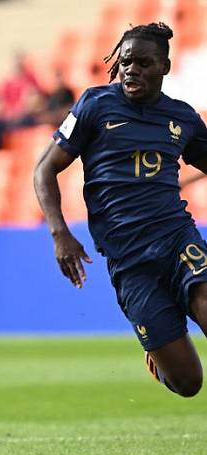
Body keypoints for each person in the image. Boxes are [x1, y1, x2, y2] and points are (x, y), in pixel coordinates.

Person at [34, 22, 207, 398]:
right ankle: (159, 360)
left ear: (164, 66)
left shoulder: (182, 118)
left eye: (144, 63)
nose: (132, 70)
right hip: (129, 261)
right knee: (189, 383)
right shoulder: (95, 106)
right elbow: (44, 169)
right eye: (127, 62)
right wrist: (60, 233)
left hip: (177, 239)